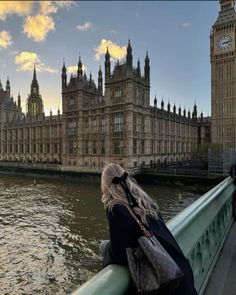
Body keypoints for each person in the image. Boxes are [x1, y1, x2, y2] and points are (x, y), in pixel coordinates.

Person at [101, 163, 197, 295]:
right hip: (180, 269)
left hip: (165, 280)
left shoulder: (116, 207)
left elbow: (120, 254)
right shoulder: (145, 200)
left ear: (106, 185)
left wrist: (105, 248)